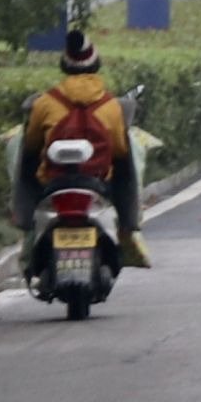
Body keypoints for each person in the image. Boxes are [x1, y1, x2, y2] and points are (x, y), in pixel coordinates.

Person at [16, 30, 150, 267]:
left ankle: (26, 226)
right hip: (97, 183)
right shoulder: (110, 106)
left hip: (52, 183)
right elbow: (119, 150)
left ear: (65, 66)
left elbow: (32, 145)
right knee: (126, 165)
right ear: (95, 65)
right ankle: (128, 227)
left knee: (25, 161)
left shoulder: (45, 103)